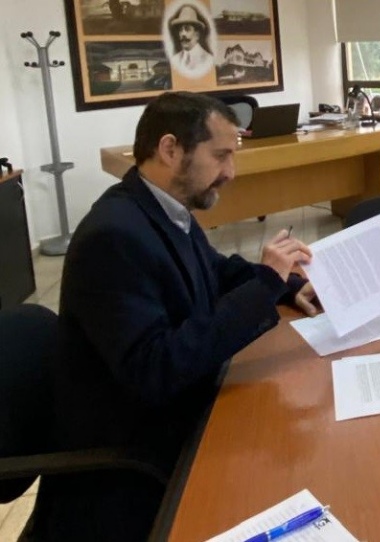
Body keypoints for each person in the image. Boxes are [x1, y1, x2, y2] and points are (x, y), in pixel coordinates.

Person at [28, 92, 318, 541]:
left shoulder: (160, 208)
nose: (231, 173)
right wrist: (263, 288)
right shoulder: (113, 236)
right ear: (170, 149)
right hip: (134, 460)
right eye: (220, 155)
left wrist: (287, 283)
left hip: (177, 412)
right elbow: (157, 369)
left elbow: (214, 272)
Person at [167, 4, 214, 77]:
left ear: (197, 35)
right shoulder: (175, 59)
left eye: (187, 29)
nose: (183, 34)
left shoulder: (208, 59)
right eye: (180, 30)